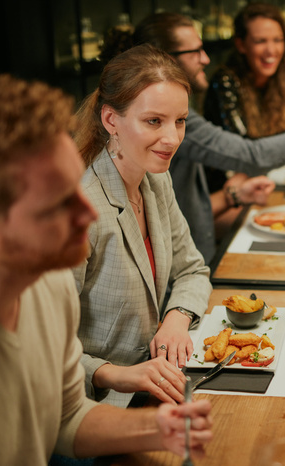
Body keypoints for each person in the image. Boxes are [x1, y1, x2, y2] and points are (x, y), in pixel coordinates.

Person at [0, 74, 212, 464]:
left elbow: (66, 417)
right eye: (57, 204)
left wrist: (161, 427)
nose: (89, 211)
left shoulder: (51, 284)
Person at [128, 12, 285, 263]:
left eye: (278, 40)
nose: (206, 59)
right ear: (166, 60)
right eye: (196, 51)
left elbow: (185, 212)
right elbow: (251, 155)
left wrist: (234, 195)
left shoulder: (177, 116)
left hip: (199, 252)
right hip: (192, 259)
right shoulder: (180, 117)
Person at [73, 44, 213, 408]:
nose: (172, 138)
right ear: (110, 120)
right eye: (154, 121)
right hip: (88, 406)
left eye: (179, 120)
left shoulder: (155, 180)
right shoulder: (79, 209)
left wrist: (177, 318)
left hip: (156, 382)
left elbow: (193, 270)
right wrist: (115, 374)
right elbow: (43, 346)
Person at [204, 2, 285, 139]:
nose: (271, 51)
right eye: (260, 41)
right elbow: (245, 149)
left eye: (278, 40)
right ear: (241, 45)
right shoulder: (225, 81)